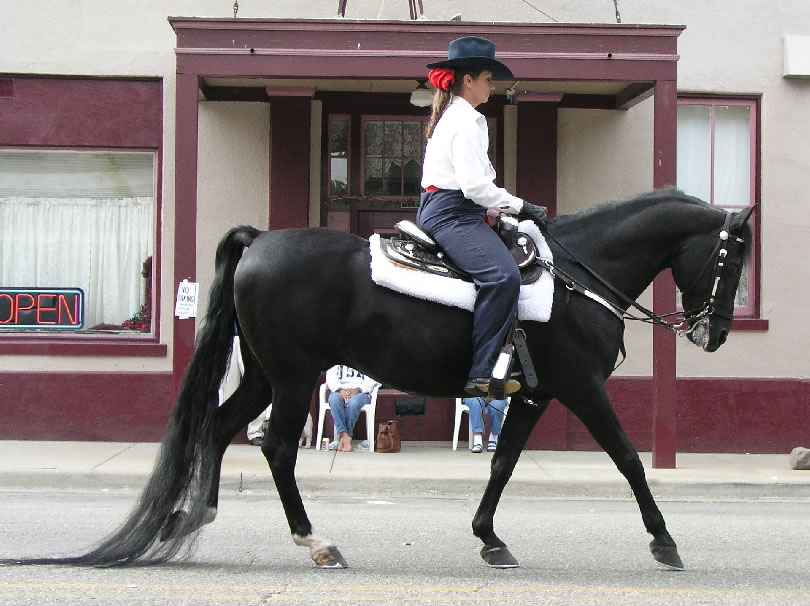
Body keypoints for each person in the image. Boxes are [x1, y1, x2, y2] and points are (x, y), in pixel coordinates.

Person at [417, 36, 548, 398]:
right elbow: (475, 186)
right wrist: (523, 206)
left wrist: (500, 210)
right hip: (453, 214)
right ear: (468, 80)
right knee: (503, 277)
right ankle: (482, 373)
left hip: (460, 210)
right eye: (489, 78)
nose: (493, 85)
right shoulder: (466, 121)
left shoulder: (460, 118)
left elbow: (475, 190)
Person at [325, 364, 380, 452]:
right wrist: (340, 390)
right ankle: (345, 435)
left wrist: (357, 389)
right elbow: (331, 377)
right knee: (334, 400)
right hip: (340, 390)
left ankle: (345, 437)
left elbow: (373, 378)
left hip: (361, 392)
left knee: (353, 403)